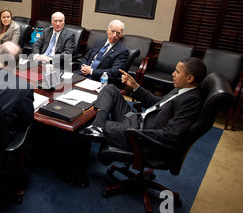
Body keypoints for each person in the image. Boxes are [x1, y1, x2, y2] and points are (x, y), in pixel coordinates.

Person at [78, 57, 207, 153]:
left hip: (139, 132)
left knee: (83, 126)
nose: (173, 74)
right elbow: (157, 103)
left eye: (177, 72)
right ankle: (98, 125)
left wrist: (139, 132)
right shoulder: (181, 88)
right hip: (135, 118)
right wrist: (135, 86)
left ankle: (77, 173)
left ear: (190, 78)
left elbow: (172, 134)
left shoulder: (191, 100)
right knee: (110, 88)